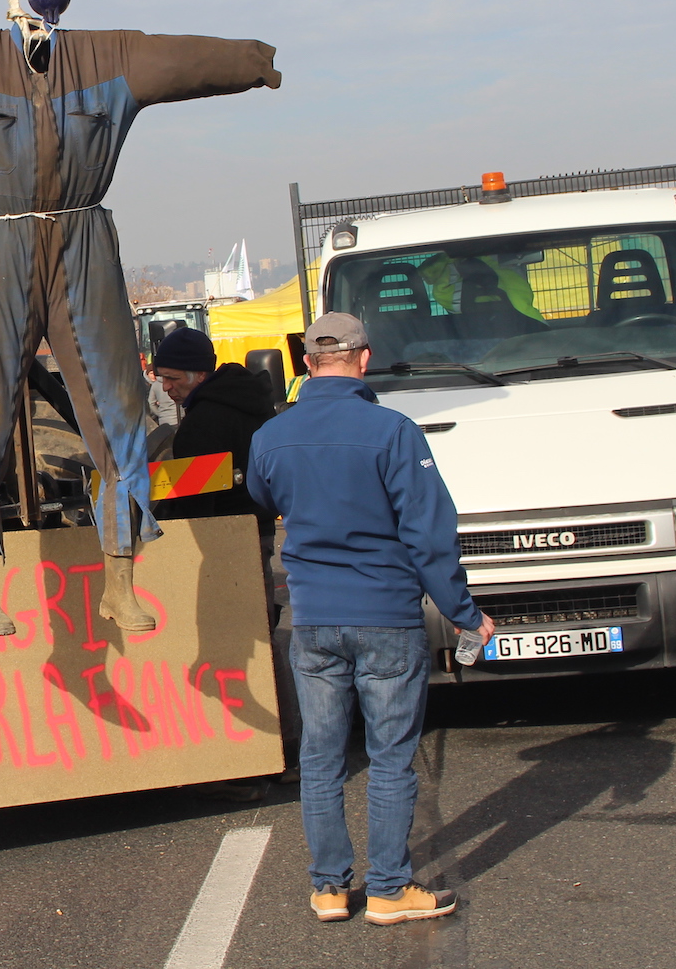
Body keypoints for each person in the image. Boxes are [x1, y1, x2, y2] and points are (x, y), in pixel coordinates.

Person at [247, 312, 494, 926]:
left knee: (322, 756)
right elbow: (430, 536)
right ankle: (387, 888)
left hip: (314, 620)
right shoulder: (394, 432)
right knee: (389, 757)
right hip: (385, 615)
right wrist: (465, 614)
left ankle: (330, 888)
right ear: (364, 358)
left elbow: (263, 495)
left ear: (307, 363)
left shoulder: (271, 437)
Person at [150, 325, 300, 789]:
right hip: (250, 536)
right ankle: (289, 753)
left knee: (230, 650)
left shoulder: (206, 421)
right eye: (161, 378)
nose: (166, 387)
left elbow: (194, 499)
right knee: (260, 640)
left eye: (172, 378)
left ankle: (248, 764)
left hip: (221, 547)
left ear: (198, 374)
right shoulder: (246, 403)